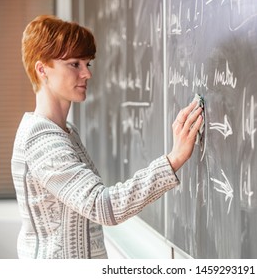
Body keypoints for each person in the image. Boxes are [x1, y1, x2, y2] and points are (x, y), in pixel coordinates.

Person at [11, 15, 203, 259]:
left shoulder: (65, 132)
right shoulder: (41, 140)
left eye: (87, 64)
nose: (87, 74)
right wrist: (173, 160)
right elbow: (103, 206)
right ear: (42, 69)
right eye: (74, 64)